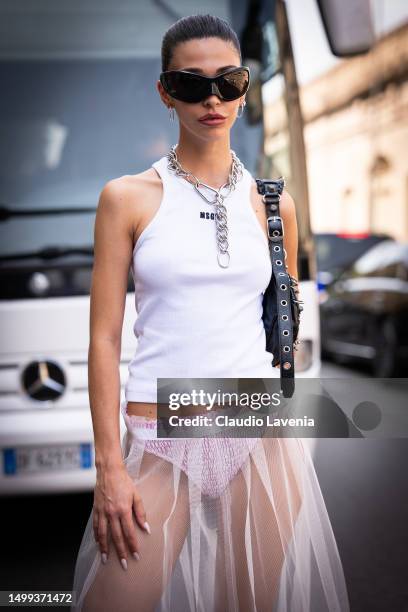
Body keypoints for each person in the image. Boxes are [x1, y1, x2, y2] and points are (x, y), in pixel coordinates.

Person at [71, 13, 350, 612]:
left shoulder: (275, 206)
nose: (213, 98)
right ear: (166, 93)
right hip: (159, 435)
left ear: (246, 88)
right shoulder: (126, 199)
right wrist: (108, 469)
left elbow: (285, 332)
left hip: (260, 439)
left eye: (229, 80)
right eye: (192, 84)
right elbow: (102, 339)